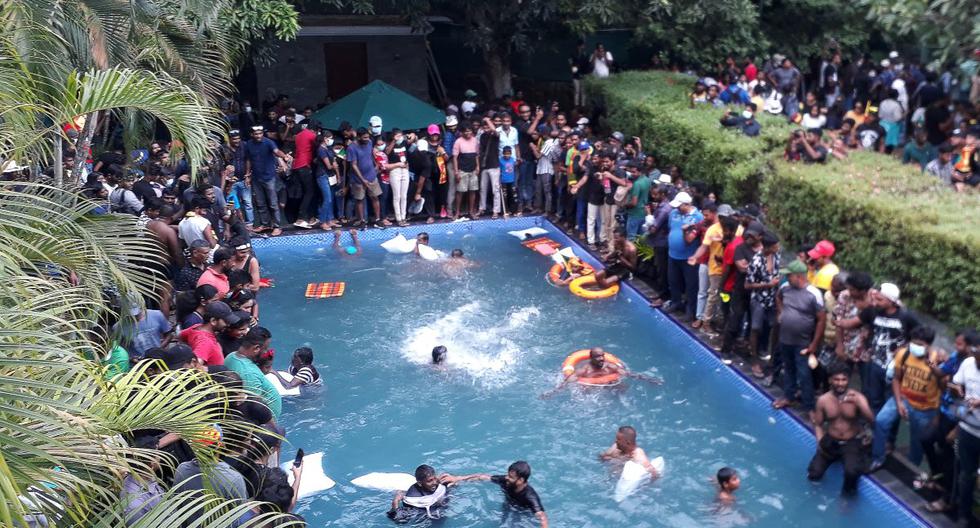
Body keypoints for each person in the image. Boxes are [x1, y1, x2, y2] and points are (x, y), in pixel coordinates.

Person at [870, 325, 943, 473]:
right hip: (904, 398)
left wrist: (937, 414)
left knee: (917, 442)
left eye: (920, 345)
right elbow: (897, 379)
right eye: (914, 343)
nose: (915, 347)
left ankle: (911, 469)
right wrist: (898, 402)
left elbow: (944, 386)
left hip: (925, 408)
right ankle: (878, 458)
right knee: (881, 420)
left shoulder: (938, 359)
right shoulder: (903, 354)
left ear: (929, 345)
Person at [808, 361, 875, 495]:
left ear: (848, 380)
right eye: (837, 379)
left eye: (844, 379)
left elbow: (872, 420)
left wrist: (859, 404)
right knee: (814, 473)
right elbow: (818, 424)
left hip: (851, 442)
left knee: (851, 473)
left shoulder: (858, 398)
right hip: (831, 440)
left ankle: (846, 501)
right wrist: (820, 442)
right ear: (830, 380)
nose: (840, 383)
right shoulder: (823, 400)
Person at [771, 259, 826, 416]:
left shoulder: (813, 294)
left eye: (789, 276)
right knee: (788, 368)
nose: (787, 278)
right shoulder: (785, 288)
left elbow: (821, 319)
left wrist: (814, 344)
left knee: (804, 373)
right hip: (785, 338)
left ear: (799, 276)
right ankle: (789, 396)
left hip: (803, 341)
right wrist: (781, 312)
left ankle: (809, 406)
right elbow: (778, 297)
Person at [440, 461, 548, 528]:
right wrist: (458, 478)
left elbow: (542, 518)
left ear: (521, 480)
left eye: (511, 477)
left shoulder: (530, 496)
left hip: (522, 513)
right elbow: (482, 477)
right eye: (508, 475)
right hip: (508, 506)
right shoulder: (506, 481)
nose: (507, 478)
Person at [541, 347, 662, 398]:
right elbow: (568, 381)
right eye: (598, 357)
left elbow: (628, 374)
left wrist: (649, 379)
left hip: (609, 385)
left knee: (624, 387)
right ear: (591, 358)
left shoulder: (609, 367)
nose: (601, 359)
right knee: (585, 391)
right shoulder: (584, 370)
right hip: (591, 390)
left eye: (602, 356)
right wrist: (552, 392)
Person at [243, 125, 292, 236]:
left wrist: (285, 156)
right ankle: (265, 224)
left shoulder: (268, 142)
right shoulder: (249, 144)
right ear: (252, 135)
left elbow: (276, 151)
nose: (259, 135)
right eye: (256, 134)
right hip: (256, 177)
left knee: (273, 203)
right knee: (260, 203)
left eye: (260, 133)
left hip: (269, 177)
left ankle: (277, 226)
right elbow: (248, 160)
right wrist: (247, 174)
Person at [225, 326, 282, 419]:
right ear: (256, 348)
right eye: (266, 348)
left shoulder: (231, 356)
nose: (266, 352)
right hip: (265, 426)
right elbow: (254, 408)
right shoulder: (249, 374)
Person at [953, 338, 980, 525]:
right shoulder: (968, 363)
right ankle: (964, 515)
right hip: (967, 429)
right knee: (965, 475)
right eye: (977, 355)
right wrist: (958, 390)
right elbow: (955, 383)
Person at [665, 191, 703, 321]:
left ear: (687, 204)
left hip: (689, 257)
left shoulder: (697, 217)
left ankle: (690, 310)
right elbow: (671, 228)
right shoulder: (673, 213)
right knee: (673, 280)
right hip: (673, 254)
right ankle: (676, 302)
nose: (676, 208)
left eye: (679, 205)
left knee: (691, 284)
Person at [179, 301, 239, 368]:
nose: (228, 324)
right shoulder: (205, 342)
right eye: (226, 321)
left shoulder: (197, 327)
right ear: (213, 321)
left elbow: (180, 336)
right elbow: (193, 366)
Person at [346, 127, 385, 228]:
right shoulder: (351, 147)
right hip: (358, 179)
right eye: (364, 137)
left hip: (371, 175)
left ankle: (377, 219)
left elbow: (370, 154)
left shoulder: (370, 142)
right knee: (359, 199)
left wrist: (375, 164)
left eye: (368, 137)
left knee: (375, 197)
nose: (367, 139)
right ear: (358, 137)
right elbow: (353, 165)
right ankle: (362, 220)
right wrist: (362, 180)